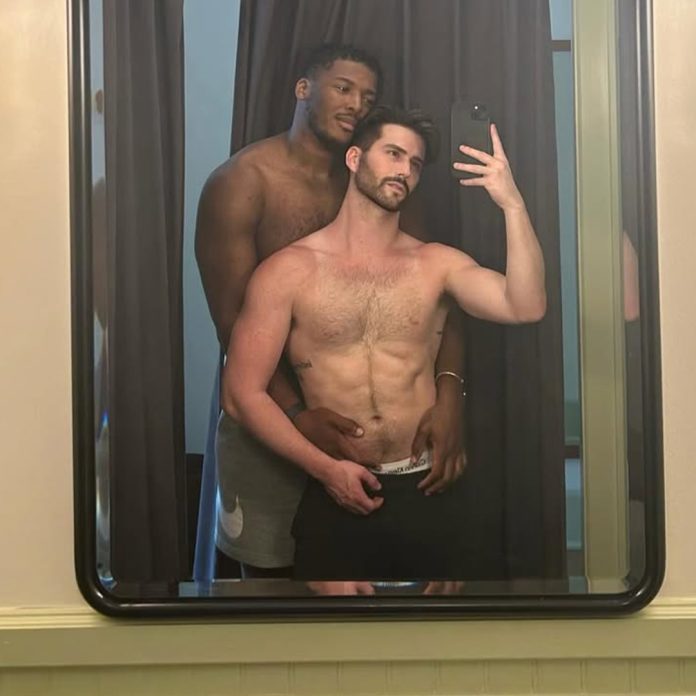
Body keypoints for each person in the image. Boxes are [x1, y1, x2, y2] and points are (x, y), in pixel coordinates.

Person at [223, 105, 546, 580]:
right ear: (354, 158)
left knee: (445, 625)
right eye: (393, 154)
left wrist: (512, 205)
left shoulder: (436, 263)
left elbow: (526, 305)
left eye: (415, 163)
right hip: (337, 484)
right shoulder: (289, 271)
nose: (405, 170)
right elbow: (241, 395)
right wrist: (325, 470)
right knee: (334, 626)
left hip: (428, 487)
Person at [195, 45, 466, 578]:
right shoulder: (242, 183)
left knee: (379, 587)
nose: (356, 105)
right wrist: (298, 417)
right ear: (303, 89)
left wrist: (452, 396)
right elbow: (232, 326)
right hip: (270, 415)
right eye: (343, 88)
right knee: (272, 584)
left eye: (368, 96)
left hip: (369, 436)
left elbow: (443, 294)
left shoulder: (388, 179)